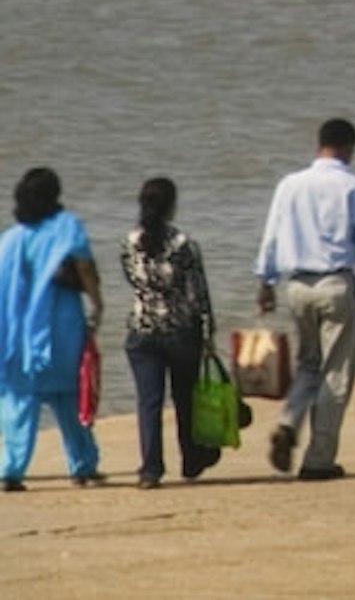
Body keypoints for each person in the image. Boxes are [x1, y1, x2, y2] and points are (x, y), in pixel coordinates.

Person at [252, 119, 355, 481]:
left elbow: (272, 235)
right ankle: (319, 459)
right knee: (336, 372)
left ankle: (288, 422)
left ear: (319, 145)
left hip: (297, 286)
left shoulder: (289, 185)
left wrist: (265, 282)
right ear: (349, 148)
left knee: (309, 363)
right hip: (335, 284)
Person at [2, 168, 103, 491]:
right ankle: (82, 466)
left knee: (20, 402)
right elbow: (86, 267)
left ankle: (11, 470)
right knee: (70, 399)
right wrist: (97, 303)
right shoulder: (67, 227)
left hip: (19, 332)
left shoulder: (12, 238)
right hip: (62, 327)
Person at [119, 176, 217, 486]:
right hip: (179, 330)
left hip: (142, 330)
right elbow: (198, 294)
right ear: (172, 206)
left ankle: (150, 468)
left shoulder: (130, 242)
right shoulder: (182, 244)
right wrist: (208, 332)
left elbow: (132, 281)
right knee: (184, 399)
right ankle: (190, 459)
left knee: (149, 402)